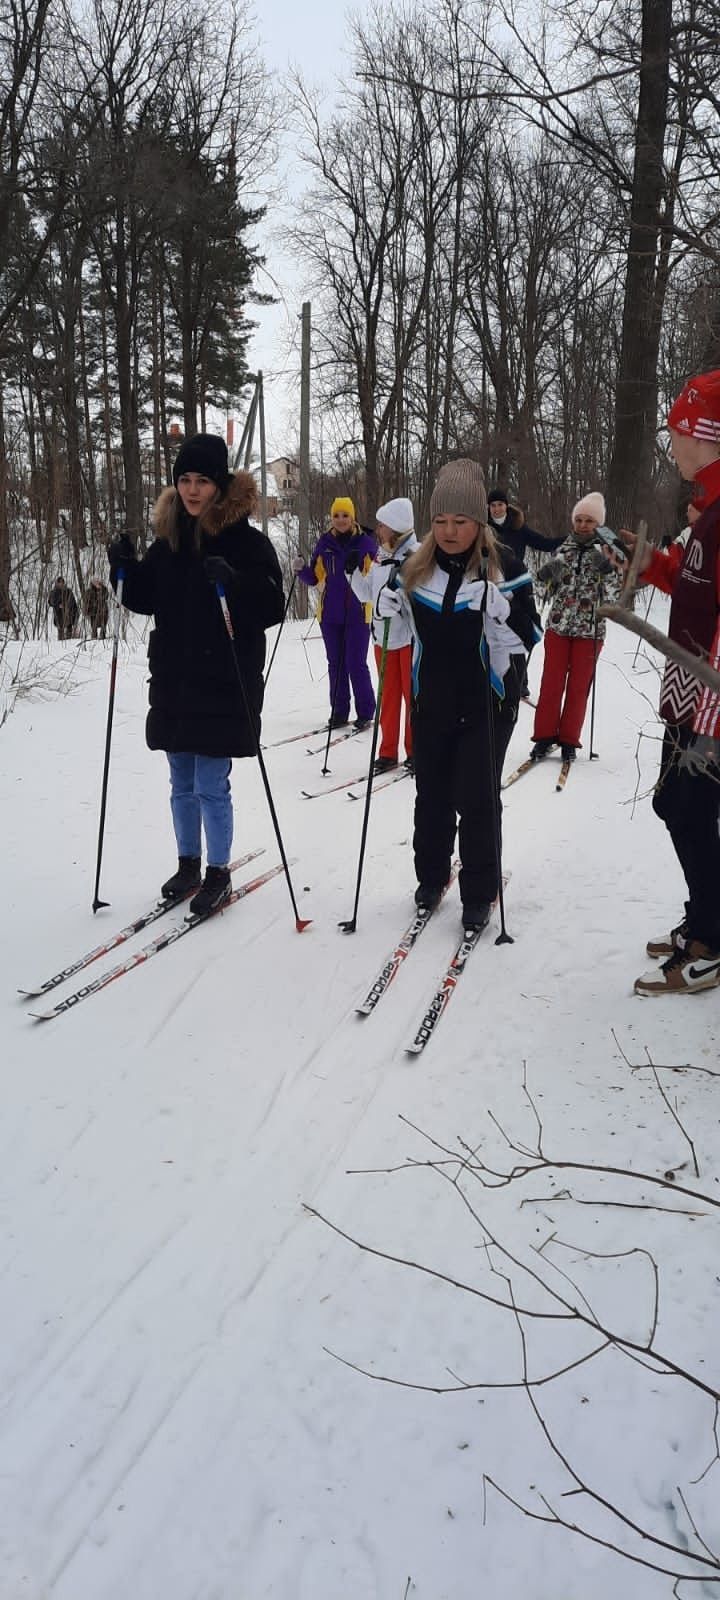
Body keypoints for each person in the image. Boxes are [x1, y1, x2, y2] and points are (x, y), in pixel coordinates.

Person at [107, 433, 284, 916]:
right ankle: (188, 863)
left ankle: (218, 872)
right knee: (180, 778)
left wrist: (235, 580)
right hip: (176, 676)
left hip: (224, 678)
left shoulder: (246, 541)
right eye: (184, 479)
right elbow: (143, 597)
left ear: (219, 485)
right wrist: (122, 568)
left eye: (201, 480)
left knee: (211, 780)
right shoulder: (169, 541)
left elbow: (273, 603)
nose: (191, 489)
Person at [377, 458, 526, 933]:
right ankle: (432, 876)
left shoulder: (504, 567)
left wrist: (501, 609)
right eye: (440, 521)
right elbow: (397, 637)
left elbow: (532, 633)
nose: (448, 531)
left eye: (460, 521)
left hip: (488, 703)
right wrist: (384, 611)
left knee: (476, 797)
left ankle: (480, 890)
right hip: (433, 702)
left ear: (478, 522)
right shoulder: (415, 570)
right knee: (432, 795)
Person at [617, 371, 720, 995]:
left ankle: (712, 934)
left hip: (710, 693)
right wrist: (651, 563)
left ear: (704, 434)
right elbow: (698, 586)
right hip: (691, 683)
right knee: (678, 803)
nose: (672, 445)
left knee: (688, 805)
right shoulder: (707, 509)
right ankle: (704, 915)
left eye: (678, 433)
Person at [529, 491, 622, 763]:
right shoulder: (562, 550)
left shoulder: (608, 552)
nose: (583, 525)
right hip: (558, 627)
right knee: (551, 683)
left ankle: (569, 739)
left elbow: (616, 597)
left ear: (599, 524)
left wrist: (607, 572)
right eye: (579, 519)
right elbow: (543, 590)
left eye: (589, 520)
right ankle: (544, 737)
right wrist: (544, 577)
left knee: (579, 687)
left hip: (590, 633)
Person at [347, 497, 418, 775]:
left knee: (412, 698)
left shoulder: (415, 557)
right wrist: (351, 572)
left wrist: (399, 604)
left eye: (382, 525)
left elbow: (421, 602)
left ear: (396, 527)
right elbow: (367, 594)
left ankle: (415, 750)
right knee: (388, 698)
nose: (377, 529)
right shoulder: (381, 556)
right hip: (383, 639)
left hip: (409, 641)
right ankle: (388, 751)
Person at [294, 497, 377, 729]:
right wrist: (301, 570)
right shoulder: (325, 543)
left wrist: (359, 566)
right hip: (329, 614)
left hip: (358, 613)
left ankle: (365, 712)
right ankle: (339, 712)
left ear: (353, 518)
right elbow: (315, 578)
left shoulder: (365, 543)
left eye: (345, 515)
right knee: (335, 663)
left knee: (356, 662)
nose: (340, 520)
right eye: (336, 516)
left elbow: (375, 575)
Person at [487, 487, 563, 564]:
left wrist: (570, 538)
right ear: (489, 507)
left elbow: (545, 544)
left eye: (500, 504)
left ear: (506, 505)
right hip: (489, 574)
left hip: (516, 574)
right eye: (493, 505)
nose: (497, 509)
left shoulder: (518, 526)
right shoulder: (482, 528)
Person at [48, 576, 78, 640]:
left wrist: (68, 606)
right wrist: (58, 605)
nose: (61, 584)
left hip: (68, 612)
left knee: (69, 627)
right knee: (60, 629)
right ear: (57, 583)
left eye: (62, 582)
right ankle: (60, 643)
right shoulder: (53, 592)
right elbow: (50, 602)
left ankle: (69, 641)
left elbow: (73, 602)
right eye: (59, 582)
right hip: (58, 613)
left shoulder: (69, 591)